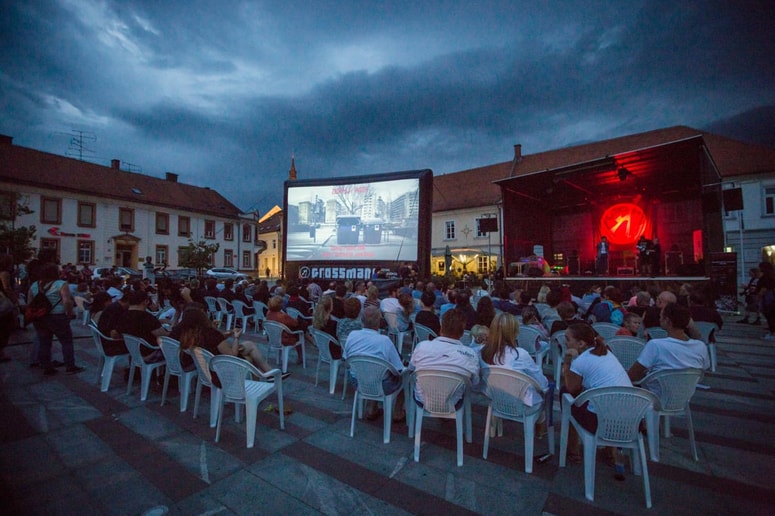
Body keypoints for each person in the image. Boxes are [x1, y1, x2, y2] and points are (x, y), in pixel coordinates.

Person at [561, 322, 631, 464]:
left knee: (566, 394)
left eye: (567, 339)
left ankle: (573, 450)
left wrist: (567, 362)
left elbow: (572, 388)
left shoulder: (581, 361)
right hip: (631, 419)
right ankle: (610, 451)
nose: (564, 342)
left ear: (581, 343)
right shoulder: (606, 353)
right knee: (602, 398)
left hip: (600, 422)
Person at [628, 303, 710, 395]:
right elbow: (702, 371)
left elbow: (632, 375)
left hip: (652, 397)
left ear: (667, 321)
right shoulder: (700, 346)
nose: (659, 319)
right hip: (683, 397)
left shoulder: (656, 345)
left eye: (661, 316)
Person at [343, 306, 405, 421]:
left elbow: (346, 359)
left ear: (362, 320)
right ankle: (398, 412)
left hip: (358, 382)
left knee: (373, 371)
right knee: (403, 378)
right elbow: (398, 369)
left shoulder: (352, 335)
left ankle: (372, 408)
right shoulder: (384, 341)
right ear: (379, 321)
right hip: (380, 385)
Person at [174, 305, 278, 375]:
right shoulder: (210, 333)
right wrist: (236, 337)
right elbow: (232, 355)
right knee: (250, 356)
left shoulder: (188, 334)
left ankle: (267, 373)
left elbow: (214, 342)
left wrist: (223, 334)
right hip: (220, 364)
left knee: (249, 345)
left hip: (207, 362)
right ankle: (265, 375)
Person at [410, 309, 480, 408]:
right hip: (452, 402)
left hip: (423, 399)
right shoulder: (471, 355)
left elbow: (411, 369)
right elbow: (475, 383)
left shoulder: (422, 346)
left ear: (441, 328)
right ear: (462, 333)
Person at [480, 312, 549, 410]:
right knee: (547, 389)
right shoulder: (520, 355)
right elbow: (542, 384)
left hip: (494, 399)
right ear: (515, 333)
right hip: (520, 405)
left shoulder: (481, 352)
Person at [28, 263, 85, 376]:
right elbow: (67, 301)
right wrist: (69, 313)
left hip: (40, 317)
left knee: (44, 342)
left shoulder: (34, 285)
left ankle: (47, 367)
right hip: (57, 316)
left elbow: (30, 302)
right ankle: (70, 366)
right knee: (66, 341)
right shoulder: (61, 284)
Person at [116, 289, 169, 362]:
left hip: (132, 353)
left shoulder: (122, 316)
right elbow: (163, 336)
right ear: (146, 301)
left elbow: (117, 333)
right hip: (150, 353)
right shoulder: (147, 317)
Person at [266, 295, 305, 364]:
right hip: (284, 339)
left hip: (272, 338)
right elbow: (295, 323)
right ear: (280, 305)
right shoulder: (282, 316)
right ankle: (300, 357)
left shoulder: (268, 313)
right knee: (299, 333)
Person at [312, 295, 341, 359]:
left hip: (322, 349)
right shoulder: (333, 324)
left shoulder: (316, 321)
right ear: (330, 307)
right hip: (333, 352)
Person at [755, 261, 775, 341]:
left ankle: (773, 333)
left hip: (767, 298)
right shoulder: (771, 276)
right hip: (770, 297)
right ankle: (772, 332)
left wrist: (758, 297)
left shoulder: (766, 278)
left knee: (770, 315)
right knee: (770, 315)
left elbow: (763, 289)